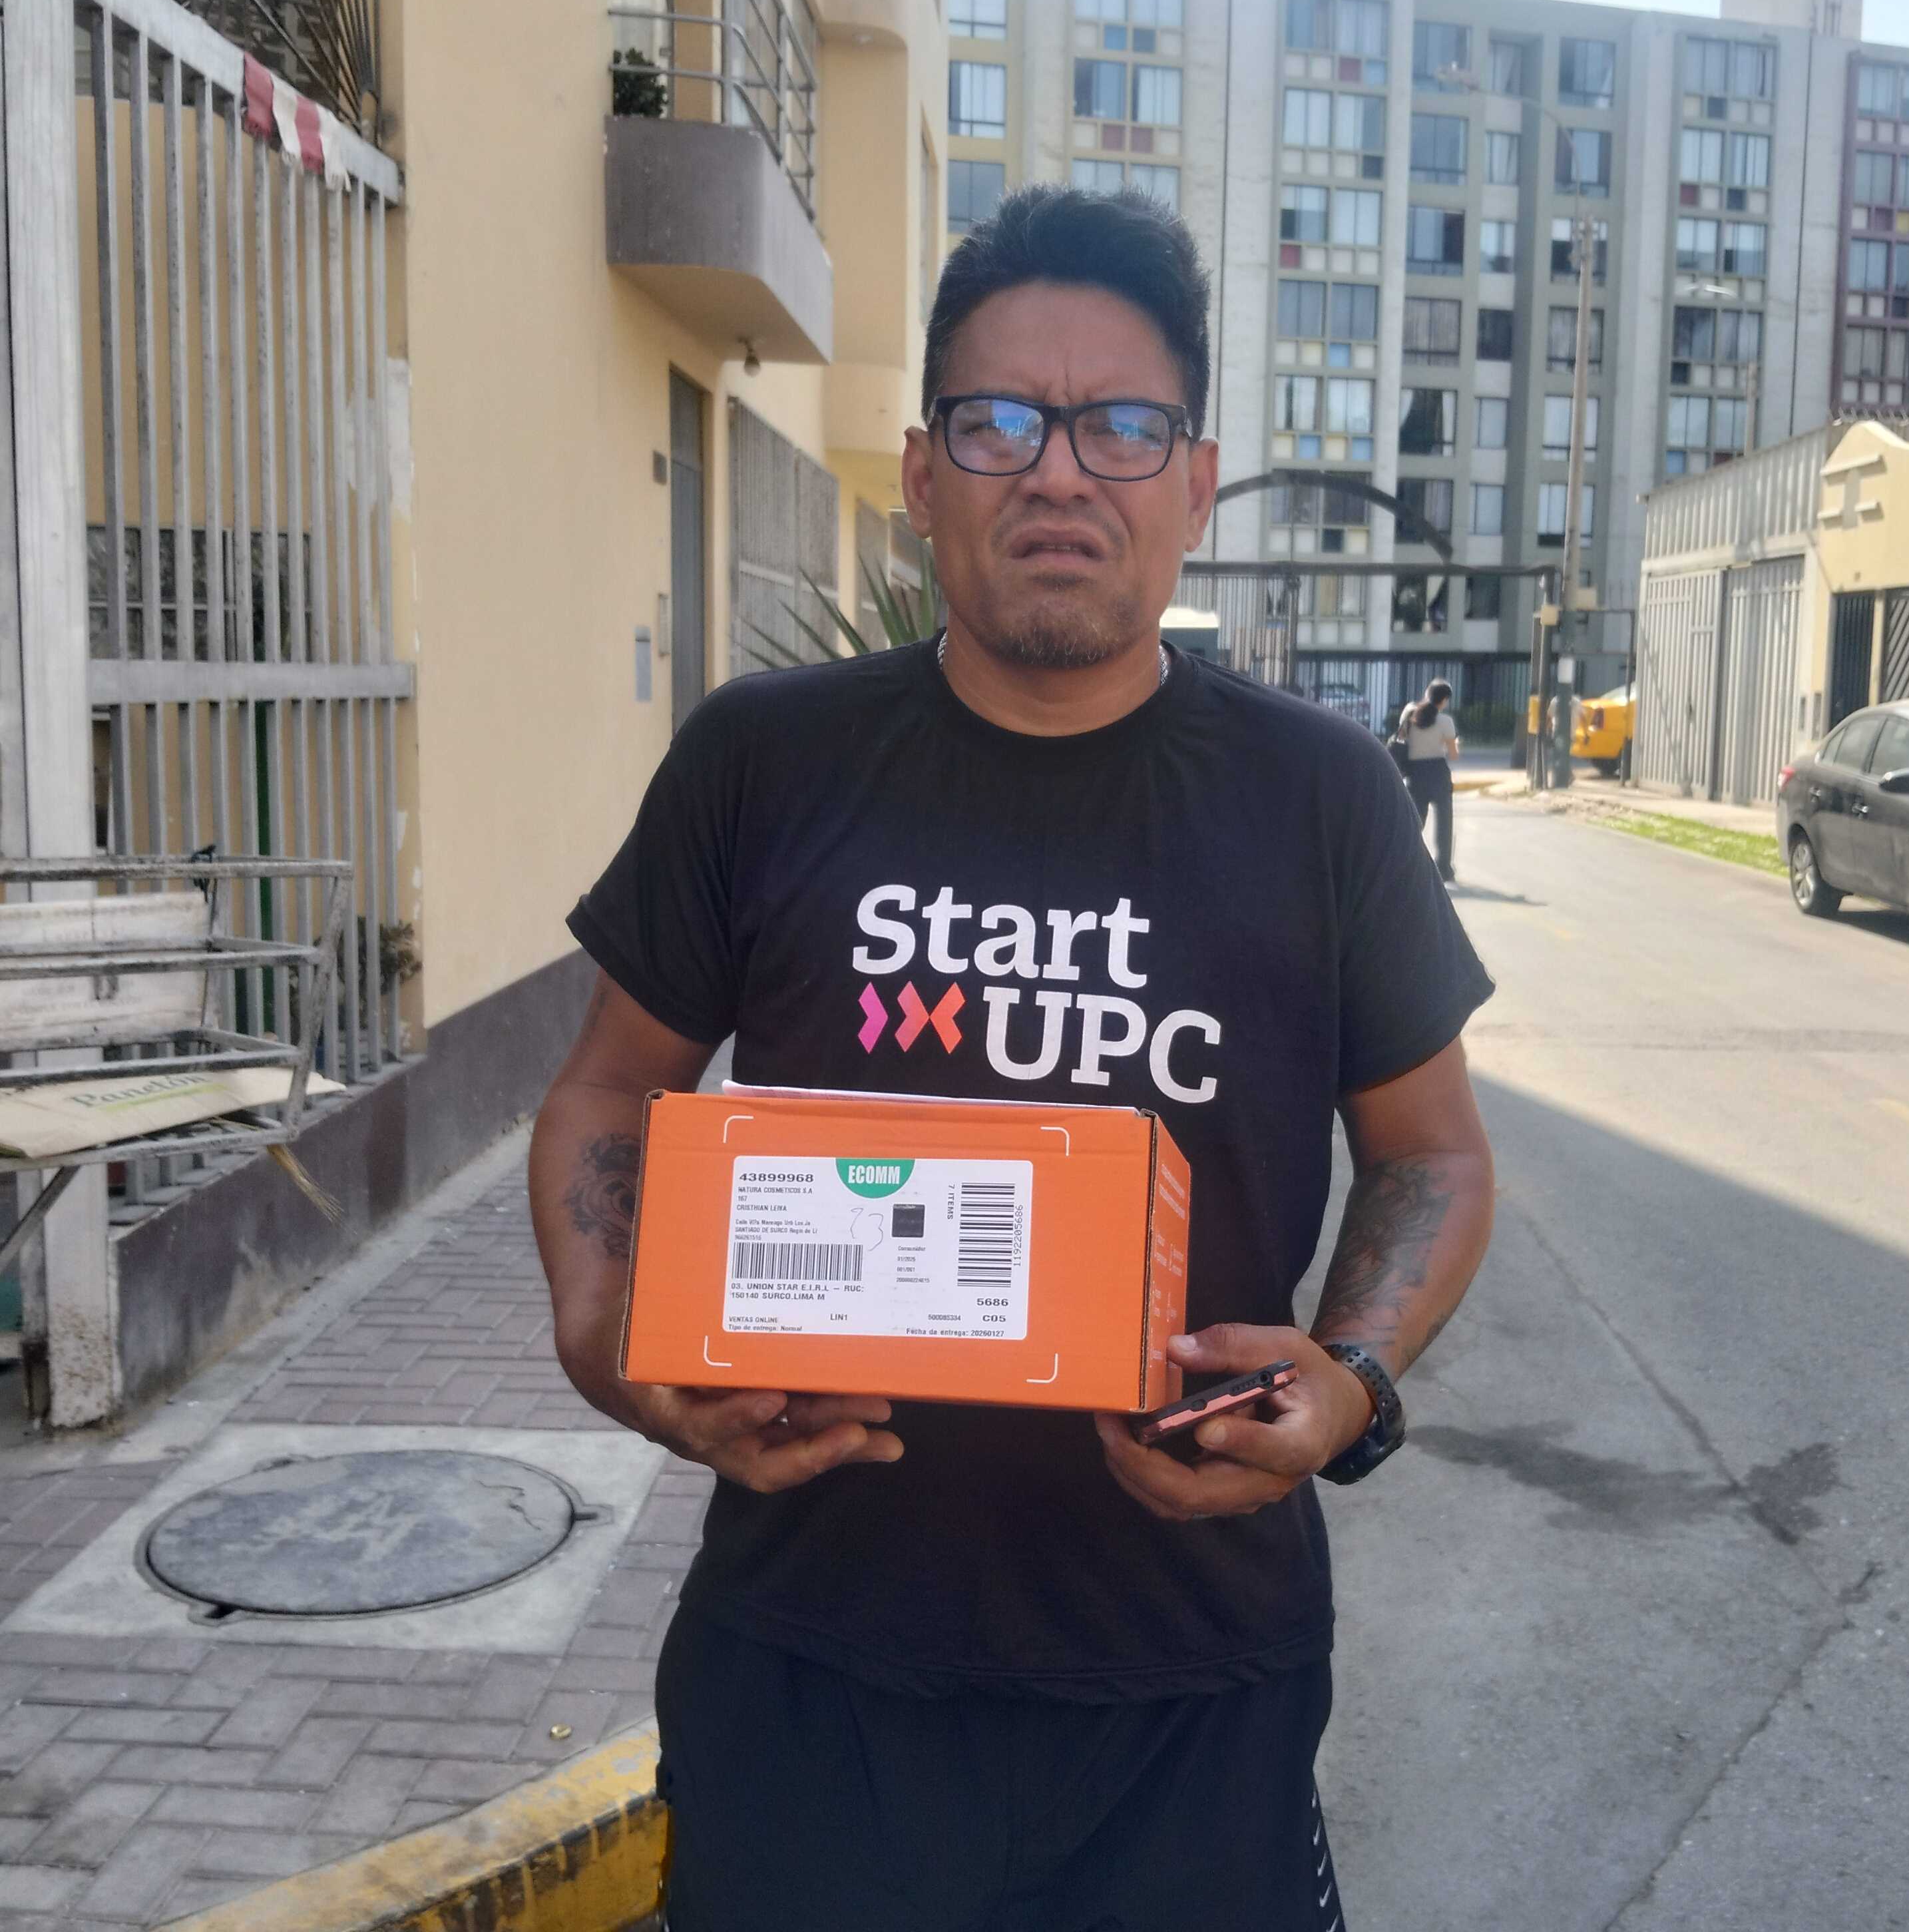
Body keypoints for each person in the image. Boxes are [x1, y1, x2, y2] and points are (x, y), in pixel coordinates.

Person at [529, 184, 1496, 1932]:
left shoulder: (1324, 798)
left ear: (1194, 484)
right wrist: (612, 1346)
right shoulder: (764, 762)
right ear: (923, 475)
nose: (1059, 474)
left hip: (1189, 1683)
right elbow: (611, 1083)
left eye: (1123, 426)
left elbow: (1431, 1150)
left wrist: (1351, 1378)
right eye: (998, 422)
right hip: (810, 1668)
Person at [1398, 678, 1460, 882]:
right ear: (1445, 700)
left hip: (1415, 774)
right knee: (1444, 822)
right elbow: (1453, 755)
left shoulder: (1410, 715)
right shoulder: (1446, 722)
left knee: (1415, 821)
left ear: (1427, 695)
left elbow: (1401, 739)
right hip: (1438, 773)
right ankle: (1444, 868)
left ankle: (1406, 863)